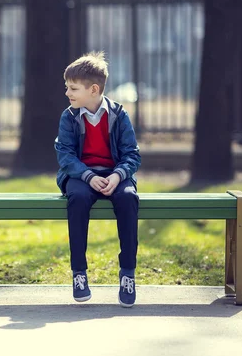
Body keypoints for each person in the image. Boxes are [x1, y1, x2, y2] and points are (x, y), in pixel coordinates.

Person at [54, 52, 141, 307]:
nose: (68, 93)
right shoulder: (69, 117)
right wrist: (88, 176)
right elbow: (65, 155)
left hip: (114, 175)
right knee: (78, 198)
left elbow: (132, 155)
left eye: (73, 88)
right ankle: (79, 273)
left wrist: (118, 175)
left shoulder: (119, 115)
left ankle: (128, 273)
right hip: (81, 175)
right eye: (67, 87)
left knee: (127, 199)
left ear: (93, 89)